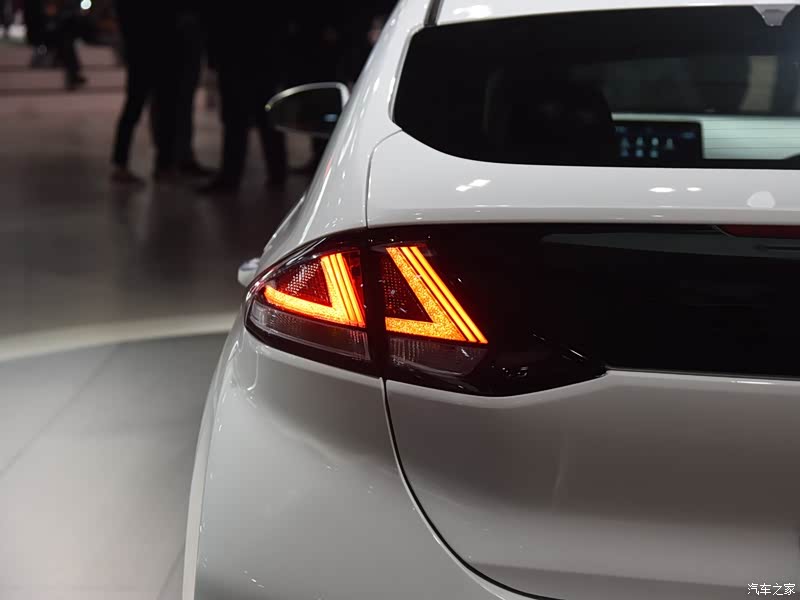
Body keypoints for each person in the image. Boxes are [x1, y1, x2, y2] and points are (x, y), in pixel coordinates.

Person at [199, 4, 287, 195]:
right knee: (262, 116)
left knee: (239, 118)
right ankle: (276, 171)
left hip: (240, 51)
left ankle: (233, 175)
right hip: (257, 51)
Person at [110, 0, 178, 183]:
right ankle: (163, 165)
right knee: (160, 110)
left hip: (142, 53)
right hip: (152, 52)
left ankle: (123, 164)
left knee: (139, 109)